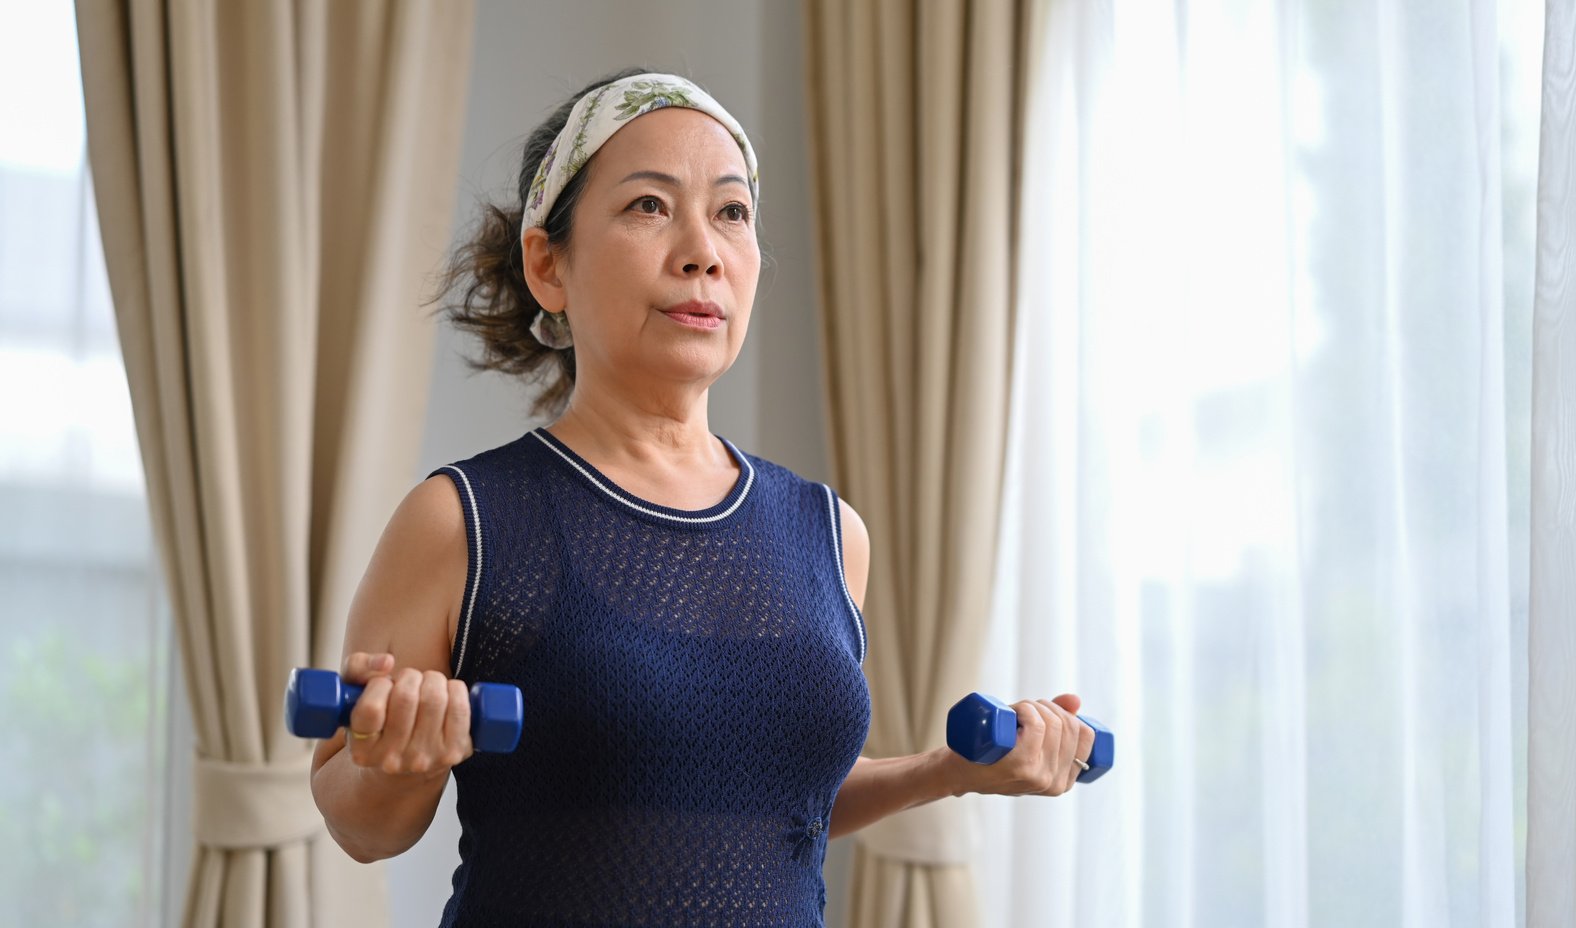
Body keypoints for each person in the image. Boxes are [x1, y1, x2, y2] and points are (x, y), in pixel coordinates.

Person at [308, 68, 1097, 927]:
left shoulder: (830, 534)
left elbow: (772, 806)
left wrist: (948, 772)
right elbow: (359, 825)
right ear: (548, 264)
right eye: (650, 206)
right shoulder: (463, 520)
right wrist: (403, 760)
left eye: (732, 212)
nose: (703, 250)